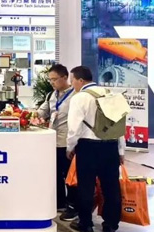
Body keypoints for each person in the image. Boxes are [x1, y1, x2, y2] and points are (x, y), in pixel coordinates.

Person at [66, 66, 124, 232]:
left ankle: (86, 224)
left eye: (72, 81)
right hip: (111, 146)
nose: (72, 84)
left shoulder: (79, 98)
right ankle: (111, 224)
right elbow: (119, 126)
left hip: (88, 147)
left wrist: (70, 147)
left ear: (80, 80)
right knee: (111, 187)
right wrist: (121, 151)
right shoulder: (111, 94)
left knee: (86, 187)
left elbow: (74, 128)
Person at [36, 64, 78, 219]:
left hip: (68, 143)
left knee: (70, 176)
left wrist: (73, 144)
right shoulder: (51, 95)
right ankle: (59, 202)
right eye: (50, 80)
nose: (52, 82)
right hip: (52, 142)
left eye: (54, 79)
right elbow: (42, 112)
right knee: (55, 174)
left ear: (65, 78)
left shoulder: (76, 95)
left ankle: (73, 206)